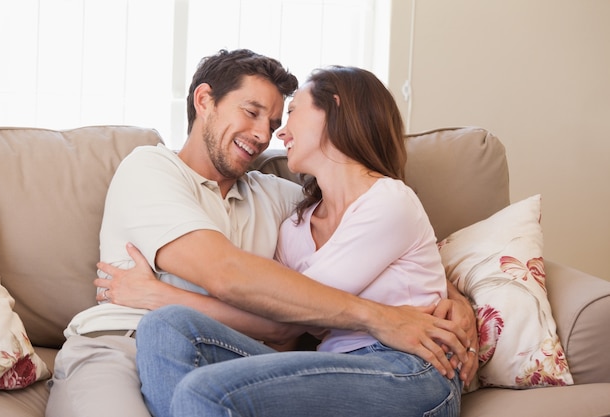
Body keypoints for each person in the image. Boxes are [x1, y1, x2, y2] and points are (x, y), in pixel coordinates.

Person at [46, 49, 477, 417]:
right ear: (204, 101)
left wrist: (458, 304)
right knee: (166, 326)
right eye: (251, 113)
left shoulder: (283, 198)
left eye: (274, 122)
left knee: (183, 351)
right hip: (117, 347)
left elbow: (388, 247)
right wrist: (383, 315)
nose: (265, 134)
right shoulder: (150, 169)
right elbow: (227, 273)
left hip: (227, 359)